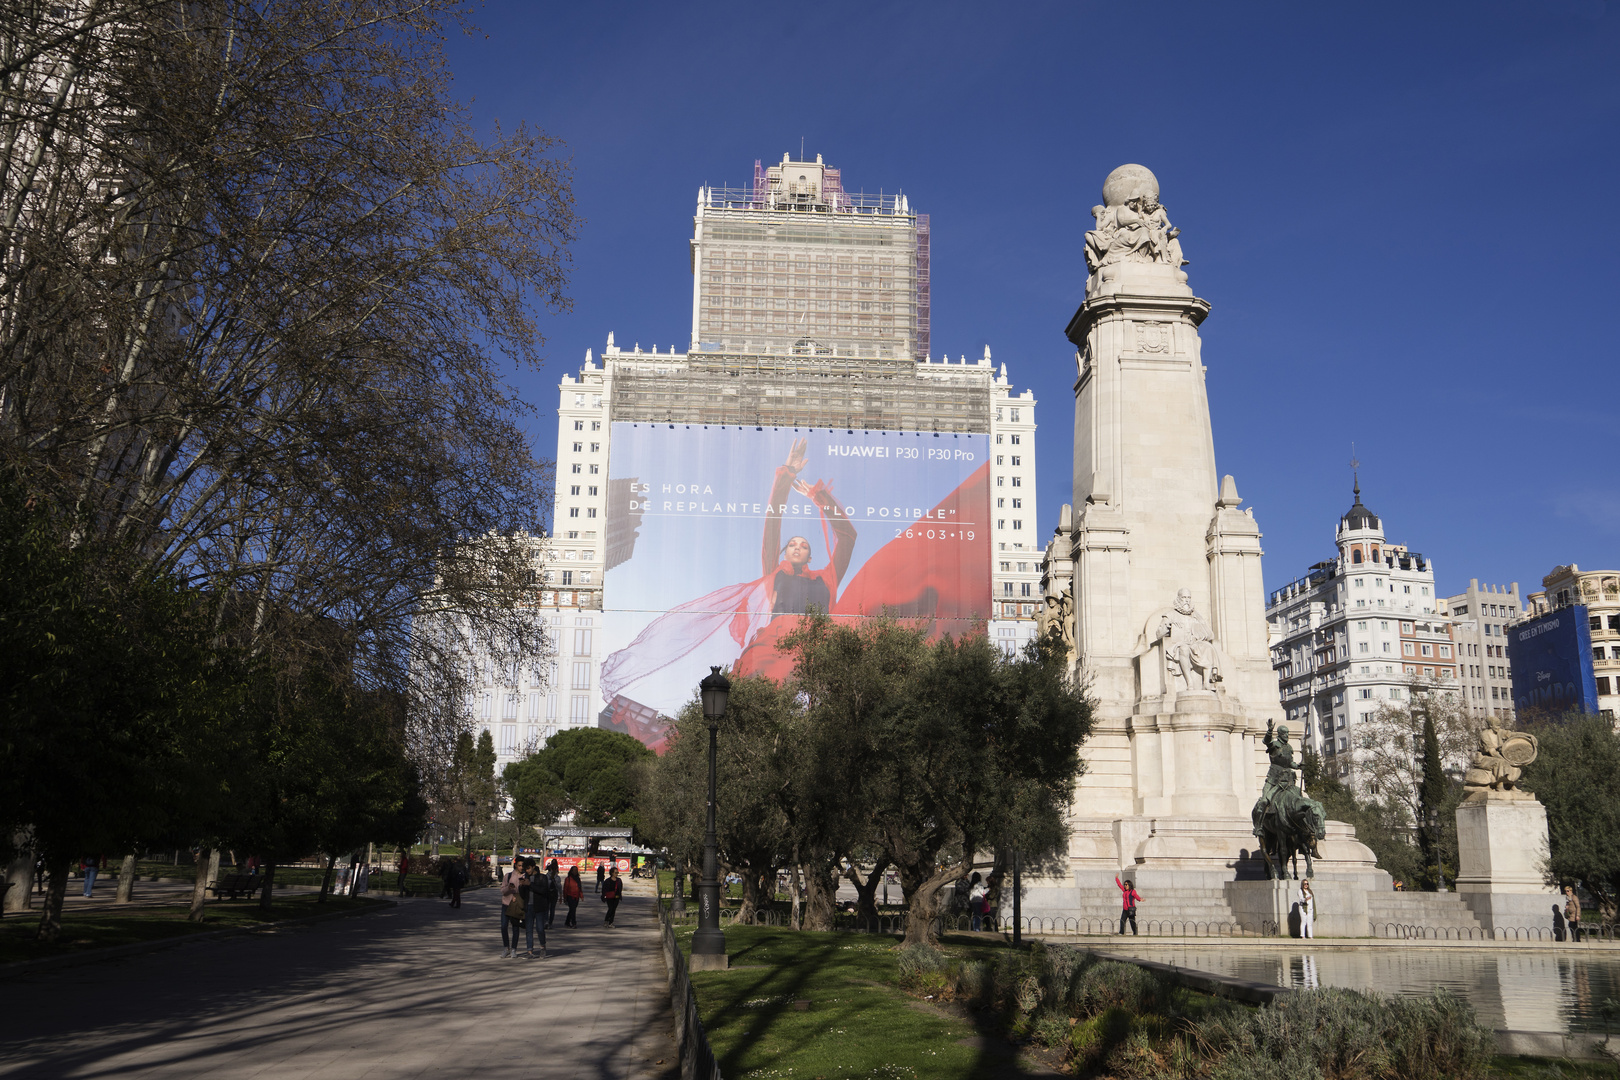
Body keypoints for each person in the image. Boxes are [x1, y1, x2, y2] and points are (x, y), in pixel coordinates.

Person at [499, 863, 528, 958]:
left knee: (515, 927)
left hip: (517, 905)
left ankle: (514, 949)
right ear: (516, 865)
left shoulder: (525, 876)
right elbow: (502, 890)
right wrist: (509, 888)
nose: (521, 867)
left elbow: (526, 892)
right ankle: (506, 947)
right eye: (519, 865)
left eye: (523, 865)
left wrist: (523, 886)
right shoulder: (508, 876)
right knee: (504, 926)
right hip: (506, 904)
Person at [524, 860, 549, 957]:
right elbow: (523, 894)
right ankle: (529, 950)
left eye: (528, 868)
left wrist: (530, 884)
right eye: (526, 869)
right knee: (529, 929)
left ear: (533, 867)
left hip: (539, 906)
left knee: (540, 928)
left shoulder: (542, 877)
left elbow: (543, 891)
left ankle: (543, 946)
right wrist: (522, 885)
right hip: (528, 906)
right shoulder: (526, 877)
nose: (527, 871)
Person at [545, 859, 561, 929]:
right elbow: (559, 887)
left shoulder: (549, 876)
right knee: (550, 908)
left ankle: (548, 922)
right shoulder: (554, 877)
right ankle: (548, 922)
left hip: (550, 894)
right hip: (551, 894)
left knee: (549, 909)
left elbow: (559, 887)